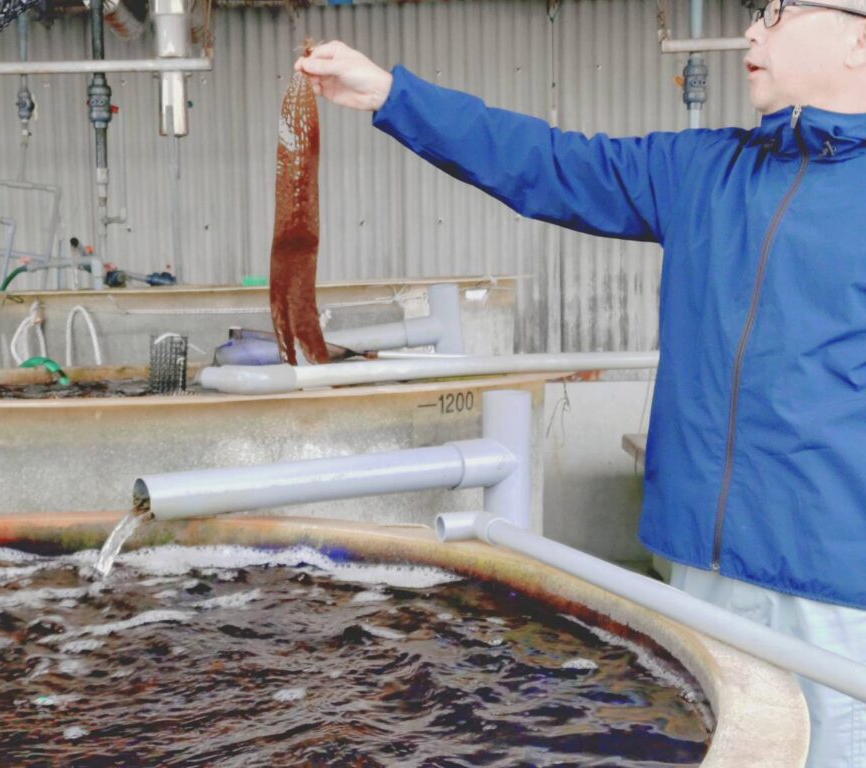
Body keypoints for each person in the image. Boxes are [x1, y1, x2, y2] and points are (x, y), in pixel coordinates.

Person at [295, 2, 866, 766]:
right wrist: (393, 95)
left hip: (835, 590)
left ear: (859, 38)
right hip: (697, 573)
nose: (752, 31)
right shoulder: (705, 172)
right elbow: (549, 162)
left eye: (778, 11)